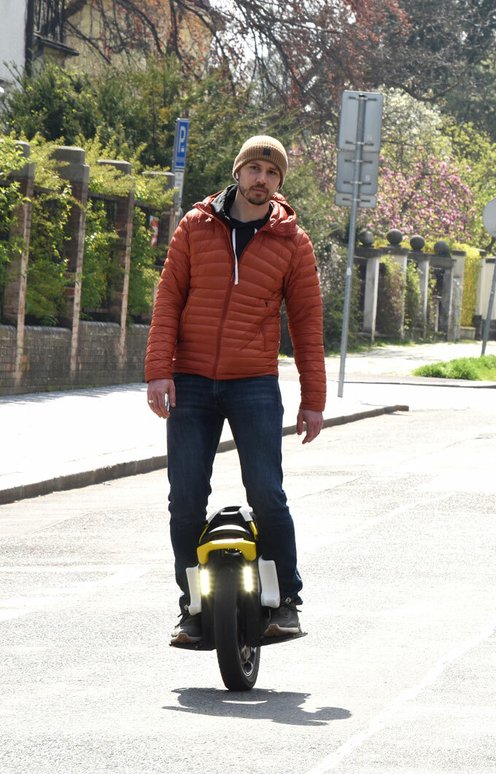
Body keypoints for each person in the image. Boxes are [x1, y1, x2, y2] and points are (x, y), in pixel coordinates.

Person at [145, 135, 326, 645]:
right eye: (254, 168)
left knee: (267, 494)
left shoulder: (292, 242)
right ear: (238, 172)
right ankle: (195, 608)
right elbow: (167, 303)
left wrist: (313, 400)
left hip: (254, 384)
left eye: (272, 172)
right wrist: (159, 371)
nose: (262, 179)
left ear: (279, 183)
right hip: (192, 382)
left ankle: (284, 602)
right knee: (184, 501)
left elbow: (307, 325)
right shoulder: (195, 227)